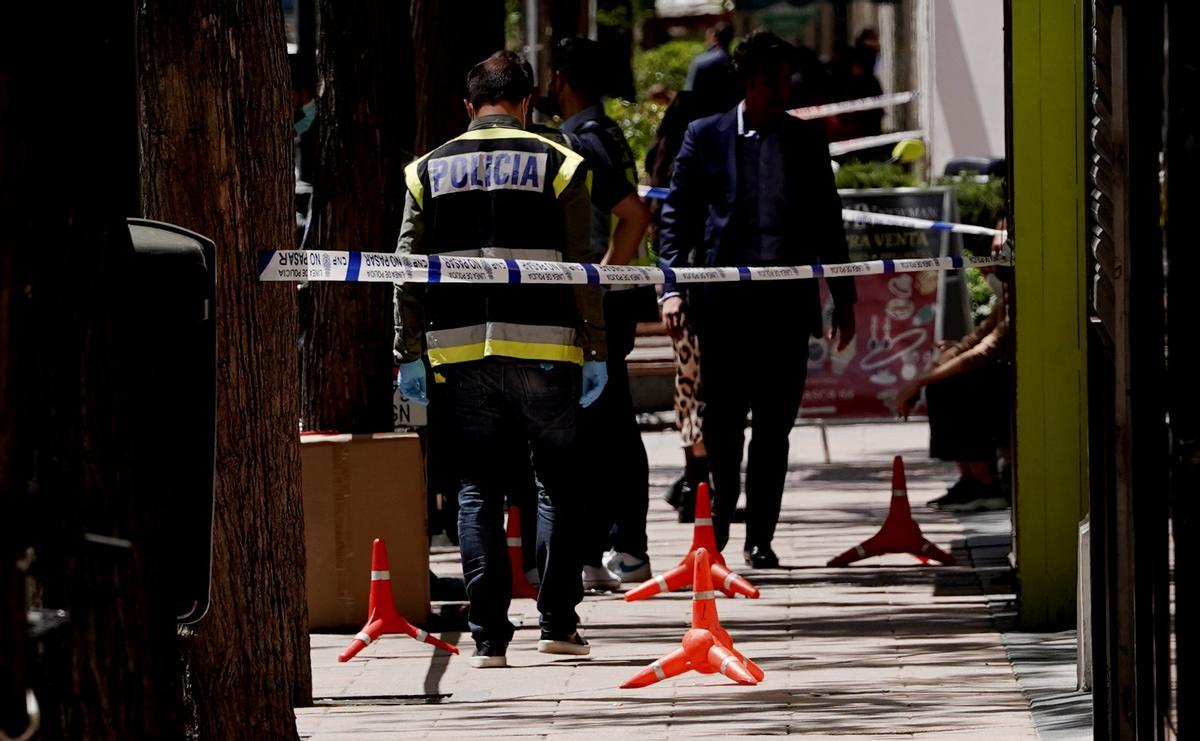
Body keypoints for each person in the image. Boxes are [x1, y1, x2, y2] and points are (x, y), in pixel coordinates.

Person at [393, 52, 607, 668]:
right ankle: (559, 624)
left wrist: (408, 353)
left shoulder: (425, 171)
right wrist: (595, 348)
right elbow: (580, 267)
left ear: (469, 106)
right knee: (558, 485)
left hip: (459, 352)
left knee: (476, 489)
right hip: (546, 348)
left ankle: (488, 637)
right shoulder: (562, 163)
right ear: (527, 101)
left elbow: (405, 272)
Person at [658, 31, 858, 569]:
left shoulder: (804, 139)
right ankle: (718, 530)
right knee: (722, 424)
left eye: (786, 79)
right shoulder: (705, 136)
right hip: (723, 309)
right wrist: (672, 287)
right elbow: (676, 218)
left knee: (775, 427)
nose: (780, 89)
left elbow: (827, 221)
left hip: (786, 307)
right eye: (771, 80)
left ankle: (761, 538)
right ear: (747, 80)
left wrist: (845, 296)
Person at [543, 38, 655, 590]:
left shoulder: (582, 141)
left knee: (602, 429)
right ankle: (605, 549)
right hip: (603, 305)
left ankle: (623, 547)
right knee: (604, 426)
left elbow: (633, 216)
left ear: (561, 77)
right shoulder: (602, 131)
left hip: (596, 309)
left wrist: (600, 286)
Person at [894, 224, 1012, 512]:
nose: (989, 269)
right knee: (944, 377)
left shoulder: (1022, 298)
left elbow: (983, 352)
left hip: (1015, 380)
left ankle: (985, 482)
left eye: (997, 257)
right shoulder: (1008, 298)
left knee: (954, 384)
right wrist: (933, 370)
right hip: (1001, 373)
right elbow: (972, 342)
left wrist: (919, 382)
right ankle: (970, 478)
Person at [685, 22, 739, 116]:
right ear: (732, 38)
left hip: (704, 118)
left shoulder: (700, 62)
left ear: (714, 37)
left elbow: (688, 94)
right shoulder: (737, 64)